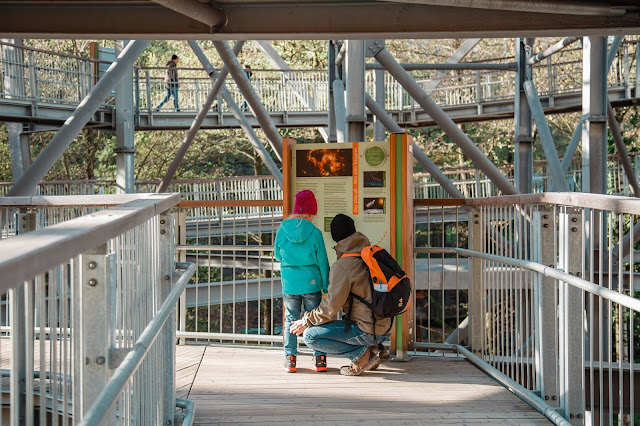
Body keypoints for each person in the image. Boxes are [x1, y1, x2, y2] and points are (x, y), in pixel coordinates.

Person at [290, 214, 391, 376]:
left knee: (310, 336)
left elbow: (331, 306)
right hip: (386, 329)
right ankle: (374, 349)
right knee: (345, 319)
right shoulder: (372, 254)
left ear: (335, 237)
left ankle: (361, 356)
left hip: (367, 330)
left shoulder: (343, 266)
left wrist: (305, 321)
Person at [274, 190, 330, 373]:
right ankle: (319, 358)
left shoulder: (282, 230)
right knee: (314, 318)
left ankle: (290, 359)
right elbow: (322, 261)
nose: (313, 218)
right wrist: (325, 286)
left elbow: (276, 255)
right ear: (307, 212)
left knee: (291, 318)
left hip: (290, 283)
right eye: (312, 214)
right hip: (311, 282)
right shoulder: (314, 232)